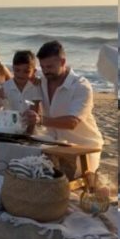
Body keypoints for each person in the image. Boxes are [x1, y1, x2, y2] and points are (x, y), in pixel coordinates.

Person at [24, 40, 103, 175]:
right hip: (54, 143)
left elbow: (72, 122)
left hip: (82, 147)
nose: (46, 71)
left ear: (62, 62)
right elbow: (19, 79)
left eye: (50, 67)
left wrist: (40, 120)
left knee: (61, 178)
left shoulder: (81, 86)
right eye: (43, 67)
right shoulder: (42, 81)